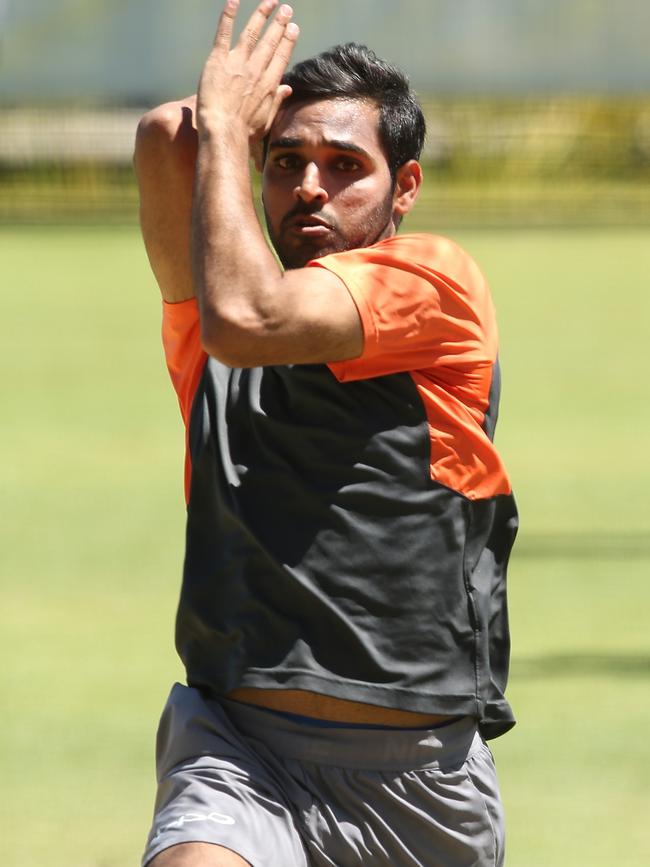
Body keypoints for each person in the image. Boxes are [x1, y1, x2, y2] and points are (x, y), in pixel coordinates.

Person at [134, 1, 518, 865]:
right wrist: (225, 123)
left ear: (405, 187)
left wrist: (234, 129)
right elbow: (167, 136)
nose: (310, 185)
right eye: (286, 161)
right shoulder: (222, 316)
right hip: (238, 746)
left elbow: (249, 315)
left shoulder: (436, 281)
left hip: (415, 778)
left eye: (345, 165)